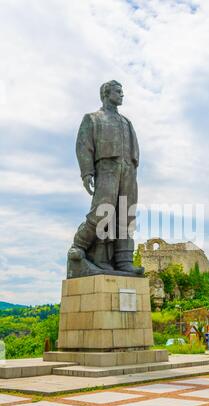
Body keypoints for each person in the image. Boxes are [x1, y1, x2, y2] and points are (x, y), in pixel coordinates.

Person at [67, 80, 144, 277]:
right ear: (106, 93)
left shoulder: (127, 122)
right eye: (118, 91)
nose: (122, 95)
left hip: (128, 169)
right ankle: (79, 245)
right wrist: (87, 172)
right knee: (103, 210)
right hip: (107, 167)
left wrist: (132, 169)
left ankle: (124, 260)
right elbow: (83, 146)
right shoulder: (93, 118)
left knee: (126, 214)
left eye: (122, 91)